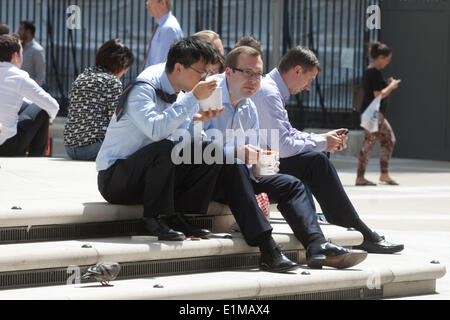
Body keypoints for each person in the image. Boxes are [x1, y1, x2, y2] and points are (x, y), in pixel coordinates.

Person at [196, 45, 369, 271]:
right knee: (235, 169)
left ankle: (316, 245)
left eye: (258, 73)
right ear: (229, 73)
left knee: (291, 185)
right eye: (247, 72)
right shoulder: (209, 95)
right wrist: (237, 154)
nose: (254, 79)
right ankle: (268, 248)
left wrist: (259, 165)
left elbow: (253, 157)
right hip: (205, 178)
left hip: (237, 177)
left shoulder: (249, 105)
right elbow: (193, 149)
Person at [251, 45, 404, 254]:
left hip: (262, 161)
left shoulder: (273, 89)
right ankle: (354, 228)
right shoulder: (269, 93)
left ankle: (349, 225)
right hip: (256, 167)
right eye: (309, 79)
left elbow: (287, 134)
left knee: (316, 156)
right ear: (297, 71)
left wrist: (322, 138)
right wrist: (322, 143)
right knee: (317, 161)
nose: (308, 87)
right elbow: (283, 147)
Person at [96, 37, 224, 242]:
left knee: (209, 150)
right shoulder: (143, 88)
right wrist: (193, 98)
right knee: (164, 148)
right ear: (179, 68)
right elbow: (155, 131)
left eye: (207, 73)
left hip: (150, 175)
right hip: (116, 179)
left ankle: (178, 215)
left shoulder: (182, 92)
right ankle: (153, 218)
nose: (204, 78)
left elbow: (184, 140)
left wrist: (197, 122)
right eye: (202, 72)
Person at [64, 39, 134, 161]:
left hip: (70, 148)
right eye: (125, 67)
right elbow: (118, 118)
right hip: (93, 149)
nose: (125, 72)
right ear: (119, 64)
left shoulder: (82, 76)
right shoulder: (112, 82)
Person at [0, 34, 59, 157]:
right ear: (15, 56)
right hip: (6, 145)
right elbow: (52, 105)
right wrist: (49, 118)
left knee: (25, 105)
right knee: (42, 107)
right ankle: (36, 157)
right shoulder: (18, 76)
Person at [356, 41, 401, 186]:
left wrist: (387, 84)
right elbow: (378, 95)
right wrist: (392, 87)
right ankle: (368, 176)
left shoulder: (371, 71)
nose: (386, 63)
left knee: (378, 141)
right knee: (383, 140)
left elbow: (377, 91)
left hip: (370, 113)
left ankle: (379, 174)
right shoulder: (373, 72)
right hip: (373, 113)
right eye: (387, 60)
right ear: (380, 57)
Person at [142, 0, 183, 70]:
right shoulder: (164, 26)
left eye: (149, 2)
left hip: (156, 78)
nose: (147, 6)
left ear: (163, 3)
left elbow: (161, 65)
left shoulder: (168, 28)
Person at [18, 21, 46, 87]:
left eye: (21, 29)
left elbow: (40, 76)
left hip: (29, 91)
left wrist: (32, 92)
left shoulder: (37, 50)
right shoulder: (19, 47)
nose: (18, 32)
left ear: (28, 32)